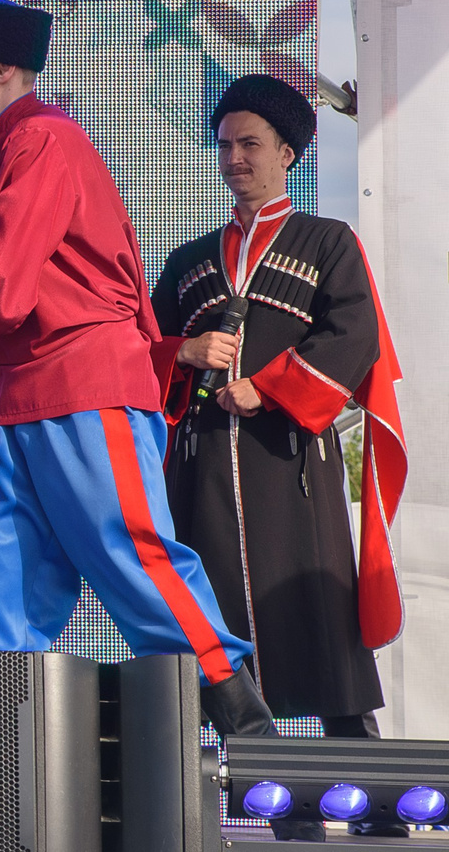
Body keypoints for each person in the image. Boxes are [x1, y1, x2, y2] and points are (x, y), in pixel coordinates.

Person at [0, 0, 289, 804]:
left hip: (82, 382)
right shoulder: (7, 154)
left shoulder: (43, 140)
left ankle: (252, 736)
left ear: (6, 70)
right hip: (22, 393)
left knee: (128, 551)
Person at [153, 75, 407, 821]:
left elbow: (353, 332)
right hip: (203, 474)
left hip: (292, 465)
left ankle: (367, 794)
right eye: (224, 144)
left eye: (250, 143)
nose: (233, 157)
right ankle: (204, 802)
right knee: (211, 617)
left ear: (288, 154)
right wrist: (185, 350)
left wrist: (269, 388)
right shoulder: (190, 261)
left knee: (319, 613)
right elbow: (148, 345)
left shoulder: (327, 241)